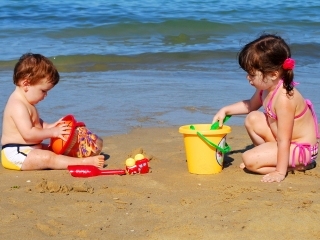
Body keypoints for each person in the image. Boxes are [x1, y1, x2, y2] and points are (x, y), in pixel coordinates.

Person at [213, 34, 319, 183]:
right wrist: (226, 110)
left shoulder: (284, 98)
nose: (248, 78)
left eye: (251, 74)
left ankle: (289, 166)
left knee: (249, 159)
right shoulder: (266, 87)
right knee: (253, 118)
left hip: (302, 149)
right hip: (285, 142)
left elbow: (284, 139)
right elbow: (250, 105)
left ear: (273, 74)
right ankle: (268, 158)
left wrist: (279, 172)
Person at [1, 53, 105, 170]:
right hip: (16, 153)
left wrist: (51, 126)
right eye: (43, 91)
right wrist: (53, 132)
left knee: (54, 150)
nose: (45, 95)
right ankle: (85, 162)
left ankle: (78, 158)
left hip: (31, 148)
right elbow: (29, 134)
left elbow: (37, 124)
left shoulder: (27, 102)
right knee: (47, 157)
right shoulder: (17, 105)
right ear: (26, 84)